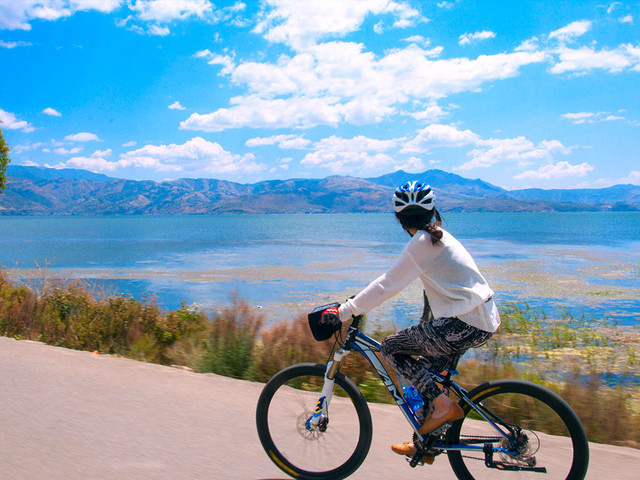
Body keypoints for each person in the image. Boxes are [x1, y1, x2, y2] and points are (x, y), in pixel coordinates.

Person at [319, 180, 500, 461]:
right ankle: (425, 445)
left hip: (464, 323)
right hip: (479, 320)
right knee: (426, 376)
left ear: (400, 220)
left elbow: (386, 285)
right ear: (432, 211)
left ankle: (443, 407)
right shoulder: (439, 237)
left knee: (391, 347)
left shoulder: (423, 242)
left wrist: (345, 311)